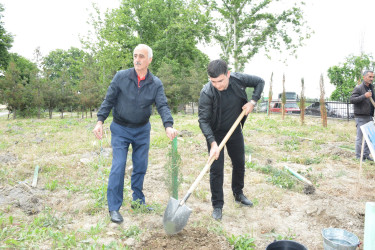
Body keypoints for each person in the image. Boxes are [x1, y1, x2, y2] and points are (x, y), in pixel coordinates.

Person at [93, 44, 178, 223]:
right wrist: (100, 121)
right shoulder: (121, 77)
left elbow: (162, 105)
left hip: (141, 130)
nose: (137, 59)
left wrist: (168, 125)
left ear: (149, 60)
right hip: (121, 129)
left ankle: (138, 201)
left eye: (141, 56)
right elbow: (109, 99)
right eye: (135, 56)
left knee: (140, 166)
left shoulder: (155, 83)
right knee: (119, 165)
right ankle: (114, 208)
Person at [198, 59, 265, 220]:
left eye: (220, 81)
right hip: (216, 134)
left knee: (239, 163)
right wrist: (212, 143)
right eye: (213, 81)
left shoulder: (238, 79)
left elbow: (260, 82)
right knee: (216, 170)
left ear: (228, 74)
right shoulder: (207, 92)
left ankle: (238, 193)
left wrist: (253, 102)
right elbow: (203, 120)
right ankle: (217, 205)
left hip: (234, 129)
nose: (217, 85)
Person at [350, 70, 375, 161]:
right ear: (364, 77)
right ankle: (358, 157)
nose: (371, 79)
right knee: (360, 138)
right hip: (360, 116)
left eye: (373, 77)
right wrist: (364, 96)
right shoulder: (358, 88)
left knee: (369, 137)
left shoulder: (371, 88)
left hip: (369, 116)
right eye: (370, 77)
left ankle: (366, 155)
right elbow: (352, 100)